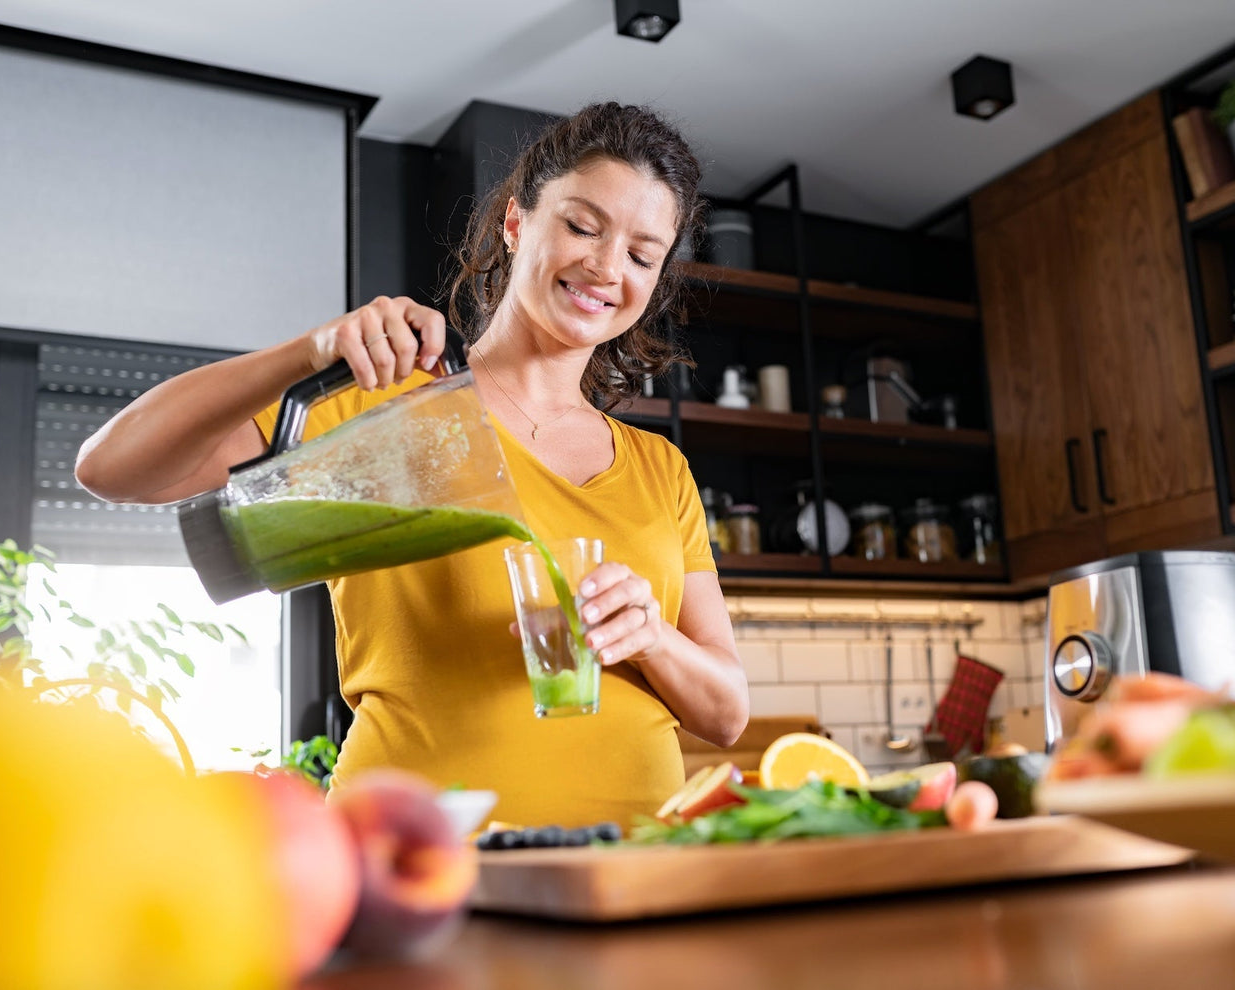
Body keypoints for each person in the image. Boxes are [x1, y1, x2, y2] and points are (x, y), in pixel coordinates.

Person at [75, 102, 749, 828]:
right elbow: (111, 468)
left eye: (642, 255)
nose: (606, 266)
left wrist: (652, 636)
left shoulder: (659, 466)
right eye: (582, 226)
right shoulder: (385, 404)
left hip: (634, 867)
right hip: (420, 857)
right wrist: (310, 353)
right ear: (517, 224)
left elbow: (727, 713)